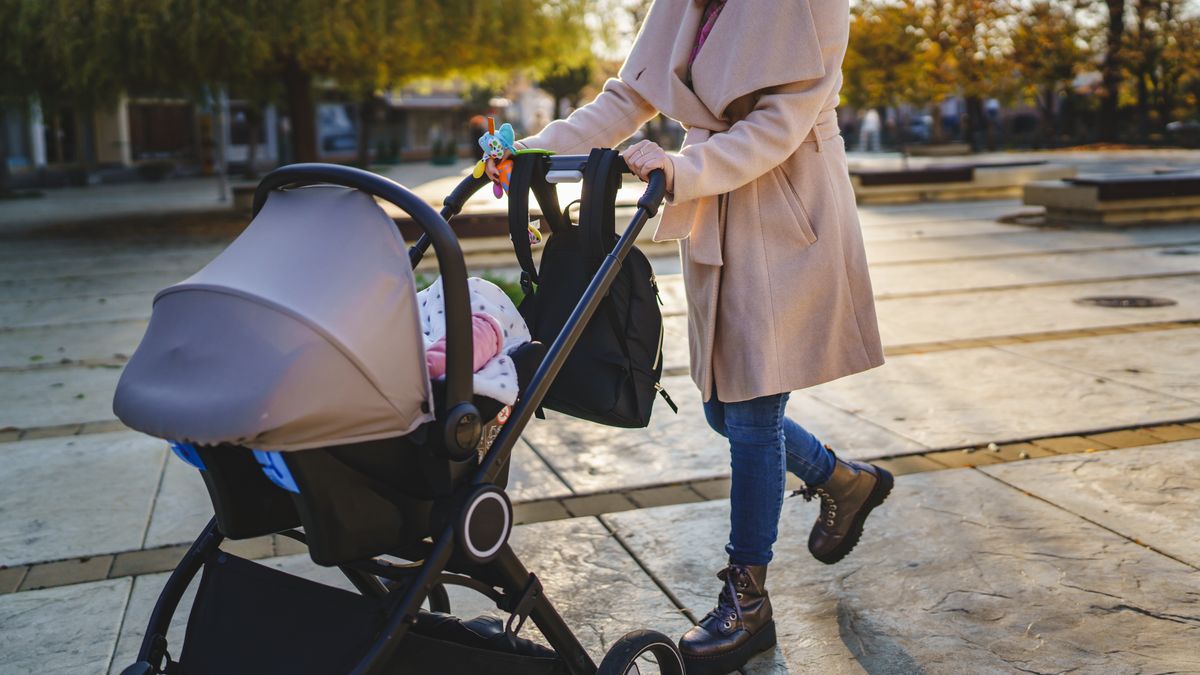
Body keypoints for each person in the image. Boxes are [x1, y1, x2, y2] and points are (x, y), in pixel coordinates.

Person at [487, 0, 892, 672]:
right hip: (715, 203)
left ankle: (748, 601)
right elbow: (628, 96)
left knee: (754, 409)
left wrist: (678, 168)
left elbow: (777, 125)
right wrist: (529, 150)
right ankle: (844, 481)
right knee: (722, 406)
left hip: (787, 210)